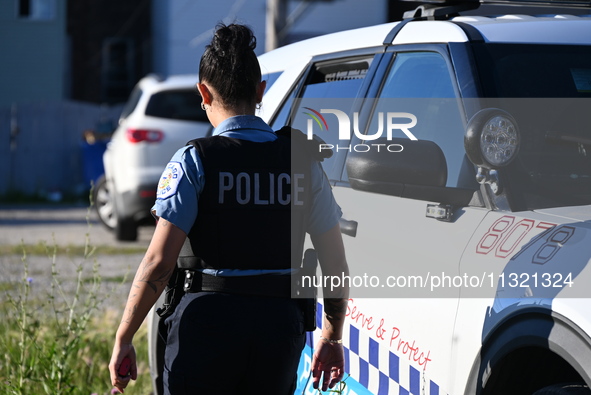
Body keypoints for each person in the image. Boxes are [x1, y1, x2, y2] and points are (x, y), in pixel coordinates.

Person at [109, 23, 349, 395]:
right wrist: (332, 338)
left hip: (206, 327)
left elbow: (159, 262)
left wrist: (125, 335)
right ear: (260, 92)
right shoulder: (303, 161)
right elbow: (335, 265)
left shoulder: (194, 161)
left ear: (203, 93)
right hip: (278, 329)